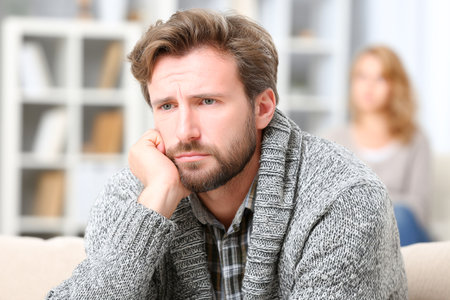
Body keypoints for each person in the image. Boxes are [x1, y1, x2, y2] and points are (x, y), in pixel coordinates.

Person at [47, 10, 407, 299]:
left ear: (263, 107)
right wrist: (156, 200)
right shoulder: (138, 196)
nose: (185, 131)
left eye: (207, 101)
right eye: (167, 106)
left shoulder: (343, 198)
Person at [324, 45, 431, 246]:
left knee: (400, 215)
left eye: (380, 78)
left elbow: (419, 208)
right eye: (362, 77)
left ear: (395, 86)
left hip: (404, 235)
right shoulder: (334, 139)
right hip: (354, 236)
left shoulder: (415, 139)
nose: (369, 86)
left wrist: (371, 205)